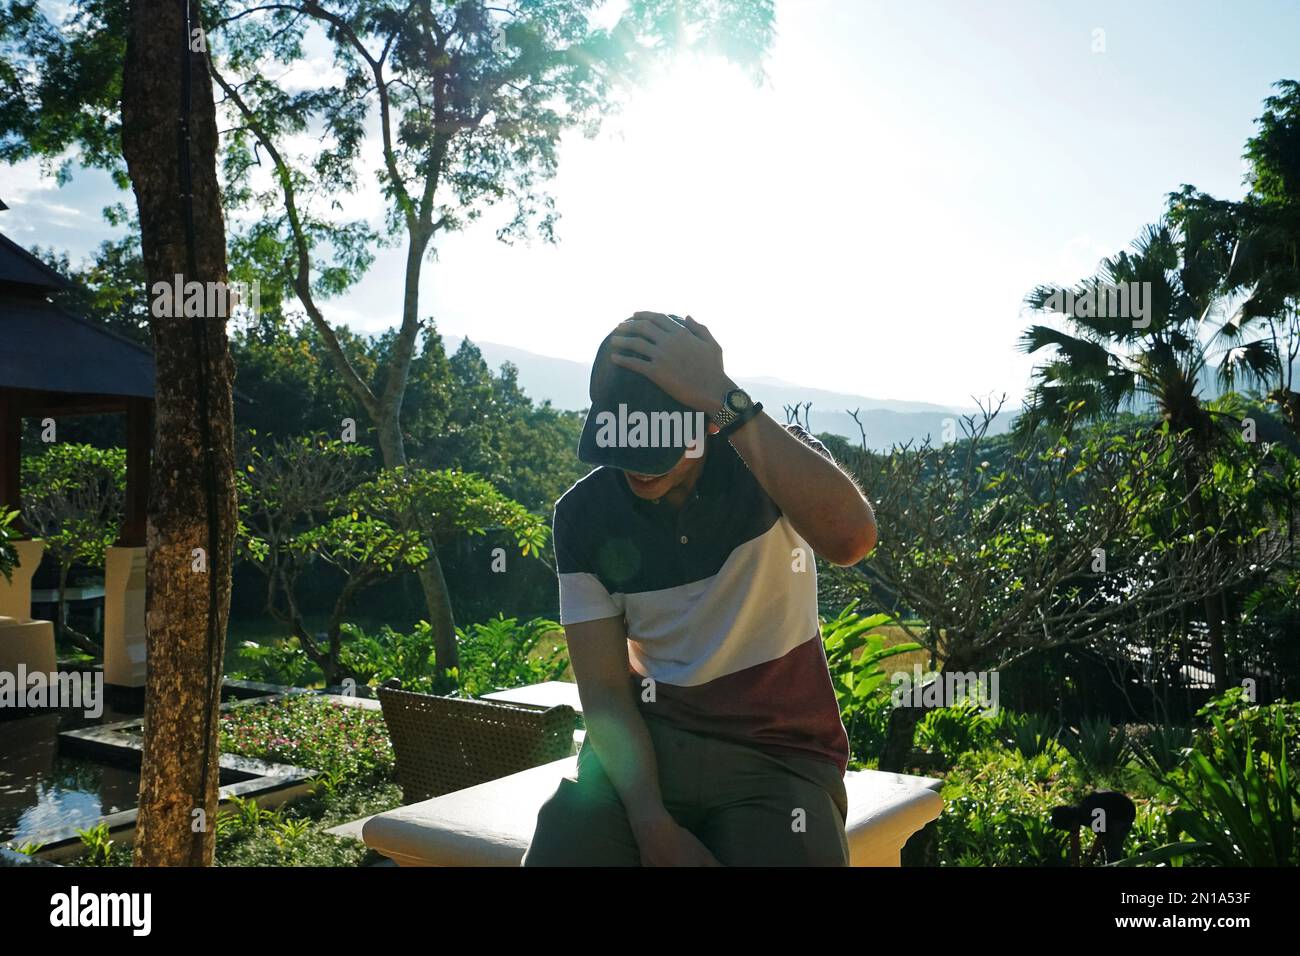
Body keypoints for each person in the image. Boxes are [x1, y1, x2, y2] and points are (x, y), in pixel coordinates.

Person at [521, 312, 877, 866]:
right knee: (564, 845)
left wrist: (722, 393)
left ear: (707, 423)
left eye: (657, 445)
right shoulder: (582, 517)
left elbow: (851, 539)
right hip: (645, 750)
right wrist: (650, 824)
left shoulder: (763, 462)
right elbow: (608, 695)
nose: (636, 468)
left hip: (778, 755)